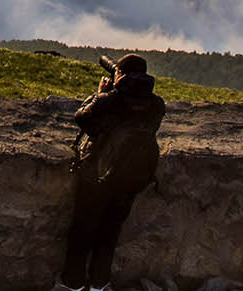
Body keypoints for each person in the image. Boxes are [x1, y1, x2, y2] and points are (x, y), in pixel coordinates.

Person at [59, 54, 166, 291]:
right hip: (132, 180)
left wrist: (102, 92)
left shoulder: (111, 100)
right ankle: (99, 284)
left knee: (82, 231)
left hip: (96, 176)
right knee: (109, 233)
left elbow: (82, 119)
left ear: (121, 75)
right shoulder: (156, 104)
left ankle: (73, 284)